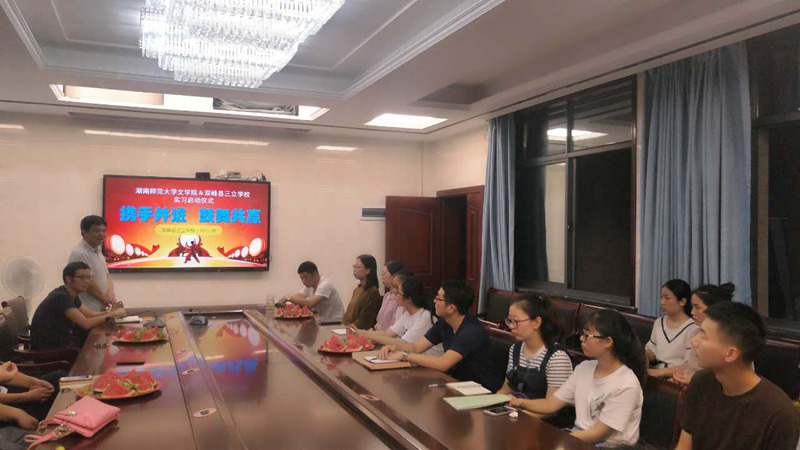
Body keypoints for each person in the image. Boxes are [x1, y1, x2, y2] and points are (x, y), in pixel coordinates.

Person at [510, 309, 645, 446]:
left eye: (587, 335)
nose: (581, 338)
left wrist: (557, 440)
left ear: (607, 342)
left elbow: (598, 433)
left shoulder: (626, 384)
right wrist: (520, 403)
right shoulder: (584, 368)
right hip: (579, 437)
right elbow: (552, 404)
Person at [675, 302, 800, 450]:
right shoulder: (701, 382)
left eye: (703, 335)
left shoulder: (779, 414)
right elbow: (684, 446)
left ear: (730, 354)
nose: (694, 341)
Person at [377, 280, 503, 391]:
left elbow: (443, 363)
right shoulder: (444, 322)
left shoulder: (471, 331)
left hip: (480, 390)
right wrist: (394, 348)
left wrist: (405, 355)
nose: (434, 301)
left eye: (438, 298)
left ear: (451, 308)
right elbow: (416, 347)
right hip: (456, 384)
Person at [497, 294, 573, 422]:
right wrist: (490, 405)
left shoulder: (557, 358)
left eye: (516, 321)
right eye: (509, 320)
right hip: (516, 416)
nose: (511, 326)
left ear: (536, 322)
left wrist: (515, 416)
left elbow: (551, 409)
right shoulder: (515, 349)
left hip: (544, 424)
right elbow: (505, 390)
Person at [30, 262, 126, 351]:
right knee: (99, 349)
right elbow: (86, 323)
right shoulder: (61, 297)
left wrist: (110, 312)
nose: (87, 281)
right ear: (68, 279)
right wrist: (113, 314)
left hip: (63, 343)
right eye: (82, 277)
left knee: (102, 346)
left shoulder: (70, 294)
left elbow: (89, 314)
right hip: (51, 351)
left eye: (89, 277)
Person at [350, 275, 442, 355]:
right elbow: (387, 333)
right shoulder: (407, 314)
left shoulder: (425, 316)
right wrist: (361, 332)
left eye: (398, 292)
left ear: (408, 299)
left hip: (429, 365)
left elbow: (403, 344)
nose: (394, 294)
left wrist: (368, 335)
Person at [671, 283, 734, 385]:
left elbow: (731, 379)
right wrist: (680, 377)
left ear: (714, 309)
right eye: (692, 307)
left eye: (697, 307)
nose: (692, 312)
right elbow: (691, 367)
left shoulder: (731, 338)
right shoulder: (695, 332)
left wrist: (694, 383)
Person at [645, 279, 697, 378]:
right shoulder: (659, 322)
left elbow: (689, 365)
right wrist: (644, 357)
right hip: (656, 373)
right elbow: (652, 349)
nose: (662, 302)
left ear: (682, 302)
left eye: (667, 298)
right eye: (661, 297)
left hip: (677, 377)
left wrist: (660, 372)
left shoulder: (693, 328)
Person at [68, 215, 118, 312]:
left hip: (102, 307)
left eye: (104, 231)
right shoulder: (80, 253)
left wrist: (111, 293)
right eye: (97, 231)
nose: (102, 234)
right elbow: (87, 281)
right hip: (88, 310)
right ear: (84, 232)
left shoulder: (98, 252)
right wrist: (104, 299)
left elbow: (107, 276)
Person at [342, 255, 382, 330]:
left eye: (358, 267)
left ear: (368, 270)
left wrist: (351, 328)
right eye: (354, 267)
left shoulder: (373, 292)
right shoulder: (357, 290)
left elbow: (366, 319)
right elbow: (349, 314)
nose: (354, 270)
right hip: (348, 329)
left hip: (359, 331)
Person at [374, 261, 406, 331]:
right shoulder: (387, 296)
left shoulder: (400, 299)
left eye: (384, 273)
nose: (382, 277)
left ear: (394, 275)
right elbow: (380, 323)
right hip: (379, 334)